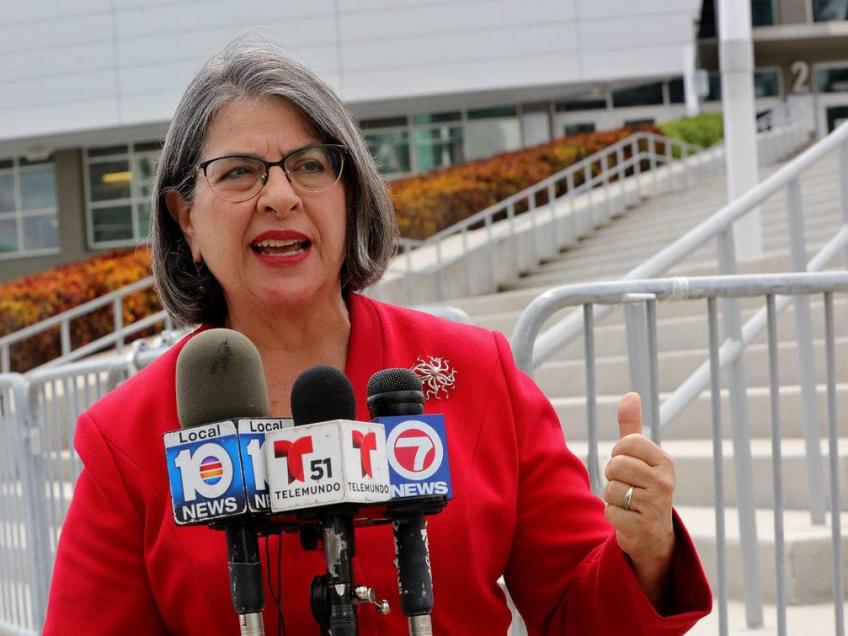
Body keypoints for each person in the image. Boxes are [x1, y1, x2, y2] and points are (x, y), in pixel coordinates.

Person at [43, 41, 711, 635]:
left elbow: (578, 615)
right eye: (240, 172)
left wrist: (646, 553)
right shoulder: (126, 437)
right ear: (185, 214)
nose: (279, 196)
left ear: (350, 193)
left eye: (309, 165)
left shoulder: (475, 374)